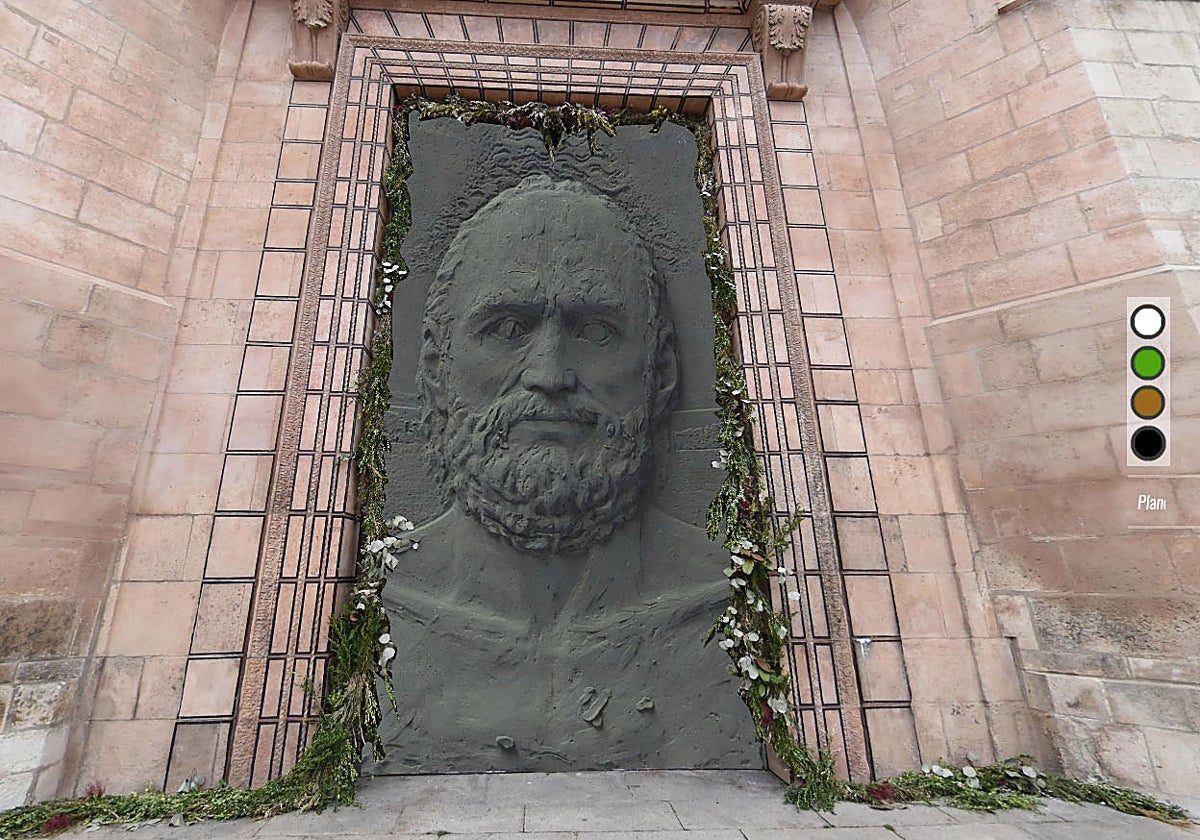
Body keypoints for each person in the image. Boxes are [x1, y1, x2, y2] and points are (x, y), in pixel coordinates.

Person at [375, 175, 760, 773]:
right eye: (506, 329)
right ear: (434, 367)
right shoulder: (382, 603)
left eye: (596, 331)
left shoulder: (723, 601)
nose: (550, 374)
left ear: (659, 373)